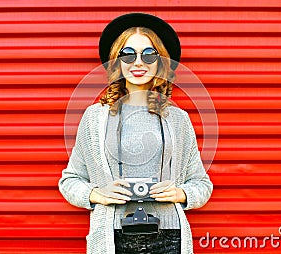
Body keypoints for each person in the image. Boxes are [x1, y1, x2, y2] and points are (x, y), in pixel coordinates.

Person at [58, 13, 213, 254]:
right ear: (116, 62)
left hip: (170, 236)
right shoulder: (94, 118)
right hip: (111, 237)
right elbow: (69, 180)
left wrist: (181, 193)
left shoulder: (178, 119)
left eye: (149, 55)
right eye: (128, 54)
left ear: (161, 63)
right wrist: (97, 194)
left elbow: (202, 184)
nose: (138, 63)